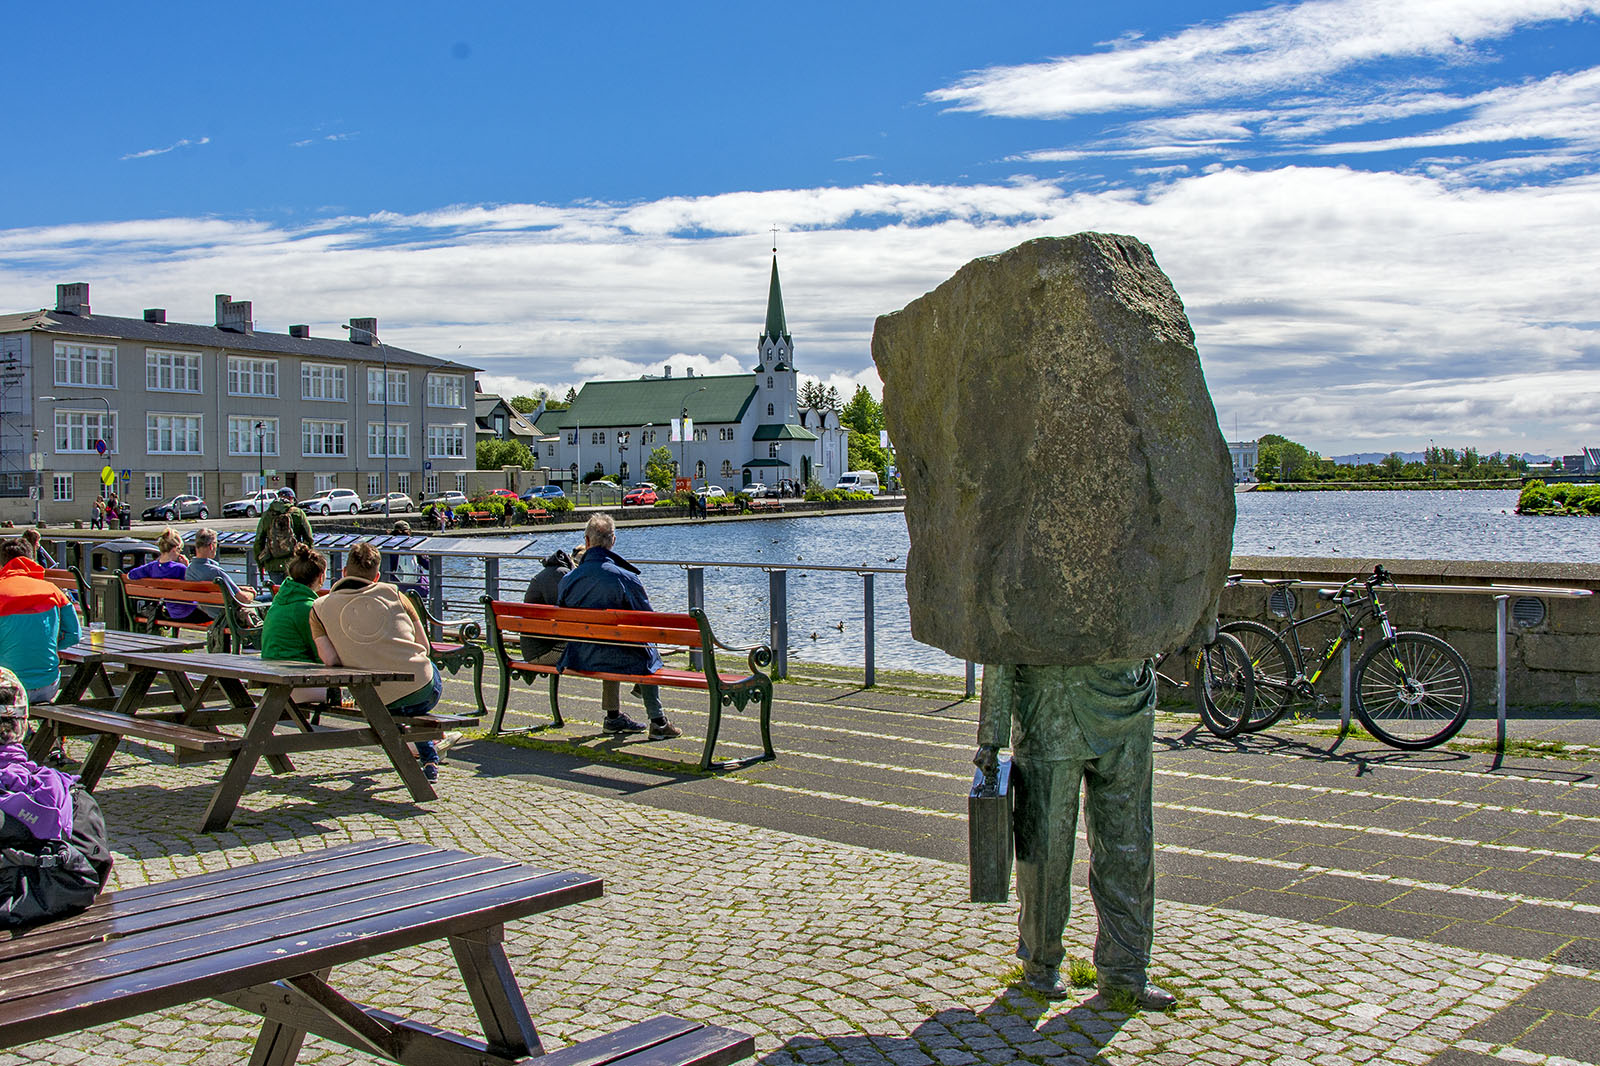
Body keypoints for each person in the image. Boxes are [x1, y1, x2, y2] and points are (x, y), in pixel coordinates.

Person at [974, 661, 1174, 1010]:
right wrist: (992, 735)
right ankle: (1040, 960)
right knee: (1046, 850)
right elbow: (1000, 633)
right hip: (1050, 706)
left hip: (1127, 702)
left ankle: (1125, 969)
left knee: (1129, 845)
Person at [309, 542, 448, 782]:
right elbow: (424, 647)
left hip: (370, 696)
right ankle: (429, 757)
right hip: (421, 689)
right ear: (377, 576)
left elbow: (330, 660)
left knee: (393, 707)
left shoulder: (319, 608)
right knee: (412, 693)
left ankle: (428, 756)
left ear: (343, 572)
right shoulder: (395, 594)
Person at [557, 514, 682, 739]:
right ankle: (658, 722)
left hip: (580, 655)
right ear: (613, 540)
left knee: (611, 641)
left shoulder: (568, 580)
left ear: (587, 541)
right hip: (618, 657)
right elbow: (649, 621)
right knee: (644, 648)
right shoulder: (625, 578)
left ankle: (613, 717)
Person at [0, 539, 82, 705]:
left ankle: (26, 731)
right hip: (47, 685)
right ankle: (29, 731)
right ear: (32, 559)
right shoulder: (53, 590)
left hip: (7, 687)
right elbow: (74, 635)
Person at [261, 544, 332, 705]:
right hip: (296, 681)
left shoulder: (280, 601)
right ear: (321, 577)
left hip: (273, 675)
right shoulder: (308, 608)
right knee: (355, 692)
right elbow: (321, 654)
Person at [519, 546, 580, 665]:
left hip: (534, 648)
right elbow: (569, 613)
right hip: (542, 653)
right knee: (591, 650)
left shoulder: (553, 572)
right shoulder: (563, 575)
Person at [184, 528, 261, 621]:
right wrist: (252, 593)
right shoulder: (216, 572)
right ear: (211, 546)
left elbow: (221, 589)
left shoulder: (190, 570)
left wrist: (238, 588)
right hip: (228, 616)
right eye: (217, 544)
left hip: (209, 612)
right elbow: (243, 599)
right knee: (268, 599)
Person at [127, 528, 196, 622]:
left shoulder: (152, 567)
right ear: (174, 549)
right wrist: (187, 565)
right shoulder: (180, 568)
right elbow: (194, 584)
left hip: (170, 612)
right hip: (188, 611)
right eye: (180, 549)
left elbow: (131, 575)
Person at [254, 488, 314, 582]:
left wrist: (260, 563)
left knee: (278, 593)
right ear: (291, 498)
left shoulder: (267, 515)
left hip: (272, 564)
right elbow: (309, 538)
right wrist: (306, 560)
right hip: (294, 563)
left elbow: (258, 541)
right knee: (293, 592)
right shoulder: (298, 513)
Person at [385, 521, 429, 598]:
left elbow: (387, 568)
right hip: (418, 589)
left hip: (398, 589)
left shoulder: (389, 546)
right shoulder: (415, 544)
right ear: (408, 531)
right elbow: (427, 565)